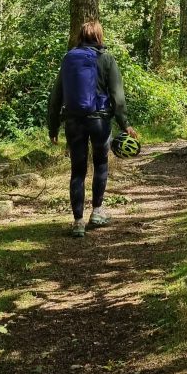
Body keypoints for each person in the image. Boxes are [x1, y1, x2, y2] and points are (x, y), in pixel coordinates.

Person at [48, 20, 138, 238]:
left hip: (73, 122)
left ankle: (78, 223)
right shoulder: (106, 59)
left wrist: (53, 126)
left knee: (77, 171)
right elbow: (117, 96)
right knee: (100, 164)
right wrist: (124, 123)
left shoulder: (69, 59)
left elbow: (56, 96)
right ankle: (97, 212)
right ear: (99, 37)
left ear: (81, 36)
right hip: (99, 121)